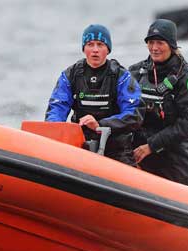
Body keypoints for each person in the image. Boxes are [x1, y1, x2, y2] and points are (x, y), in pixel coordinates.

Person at [45, 24, 143, 165]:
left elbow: (134, 114)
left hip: (116, 150)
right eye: (90, 44)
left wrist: (100, 124)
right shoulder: (70, 75)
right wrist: (55, 132)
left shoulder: (121, 76)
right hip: (80, 146)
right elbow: (56, 108)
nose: (95, 50)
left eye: (100, 45)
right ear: (84, 48)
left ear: (108, 49)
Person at [129, 19, 188, 188]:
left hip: (176, 163)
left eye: (160, 42)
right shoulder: (135, 72)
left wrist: (151, 146)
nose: (154, 48)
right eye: (151, 42)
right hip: (139, 158)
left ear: (172, 45)